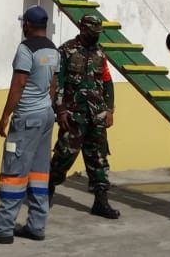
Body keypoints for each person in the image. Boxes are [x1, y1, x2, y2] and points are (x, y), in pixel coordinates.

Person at [0, 6, 59, 245]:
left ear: (27, 25)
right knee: (39, 173)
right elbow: (53, 85)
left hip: (27, 118)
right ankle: (36, 226)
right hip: (46, 115)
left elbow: (19, 84)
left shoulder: (25, 49)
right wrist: (45, 107)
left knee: (13, 172)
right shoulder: (53, 50)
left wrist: (5, 116)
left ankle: (2, 229)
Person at [49, 14, 120, 220]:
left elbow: (107, 81)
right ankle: (46, 191)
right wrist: (61, 110)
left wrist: (109, 109)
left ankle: (101, 201)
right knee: (64, 155)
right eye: (92, 32)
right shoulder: (66, 50)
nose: (96, 36)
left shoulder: (100, 53)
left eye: (98, 32)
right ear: (82, 28)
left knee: (99, 159)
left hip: (96, 116)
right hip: (73, 115)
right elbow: (58, 81)